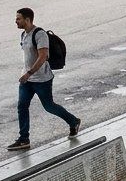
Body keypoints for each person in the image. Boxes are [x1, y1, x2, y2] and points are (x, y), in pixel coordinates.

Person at [8, 8, 80, 152]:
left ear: (27, 20)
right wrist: (26, 75)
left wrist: (29, 73)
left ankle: (73, 121)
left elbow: (43, 57)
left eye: (18, 19)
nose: (16, 21)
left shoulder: (40, 34)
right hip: (27, 79)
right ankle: (24, 139)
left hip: (41, 79)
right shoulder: (23, 34)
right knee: (22, 106)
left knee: (49, 106)